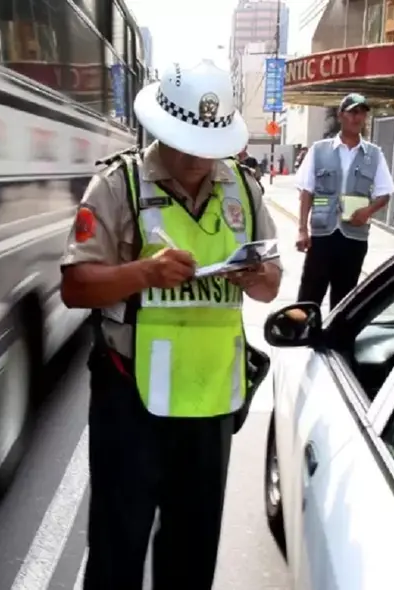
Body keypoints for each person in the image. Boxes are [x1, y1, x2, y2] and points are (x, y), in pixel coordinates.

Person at [59, 59, 282, 590]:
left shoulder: (244, 191)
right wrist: (144, 273)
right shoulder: (118, 185)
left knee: (193, 550)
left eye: (209, 146)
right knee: (119, 546)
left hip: (210, 400)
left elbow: (271, 285)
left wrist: (255, 277)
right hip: (129, 396)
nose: (198, 160)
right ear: (162, 128)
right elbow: (75, 287)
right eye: (186, 144)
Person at [294, 93, 394, 309]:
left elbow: (385, 193)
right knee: (310, 292)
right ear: (341, 116)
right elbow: (306, 191)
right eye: (353, 112)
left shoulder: (374, 154)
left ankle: (335, 339)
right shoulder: (319, 150)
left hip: (354, 236)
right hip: (322, 234)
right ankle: (303, 335)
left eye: (362, 113)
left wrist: (368, 211)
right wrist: (302, 229)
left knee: (345, 296)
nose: (358, 118)